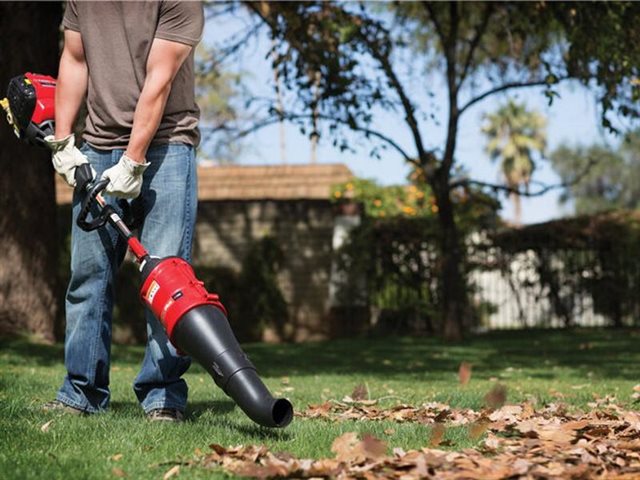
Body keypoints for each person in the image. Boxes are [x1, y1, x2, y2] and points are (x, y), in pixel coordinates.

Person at [42, 1, 205, 422]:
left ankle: (163, 395)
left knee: (167, 280)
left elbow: (160, 76)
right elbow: (74, 59)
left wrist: (133, 162)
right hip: (96, 144)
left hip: (167, 145)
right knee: (88, 277)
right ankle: (81, 392)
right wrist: (63, 143)